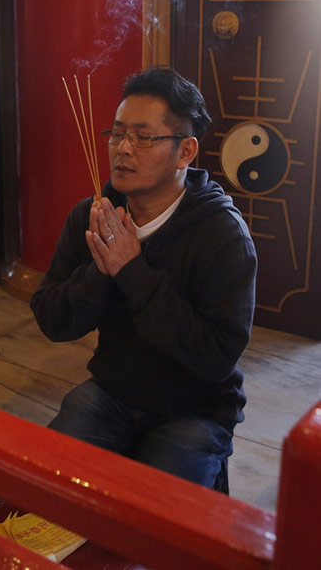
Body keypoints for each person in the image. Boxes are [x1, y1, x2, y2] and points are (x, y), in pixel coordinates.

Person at [30, 67, 257, 492]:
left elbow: (215, 356)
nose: (123, 149)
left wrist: (132, 271)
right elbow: (52, 320)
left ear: (185, 151)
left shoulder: (222, 234)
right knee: (46, 491)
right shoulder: (93, 215)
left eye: (143, 137)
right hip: (115, 391)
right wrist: (101, 268)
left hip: (196, 408)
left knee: (154, 522)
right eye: (117, 134)